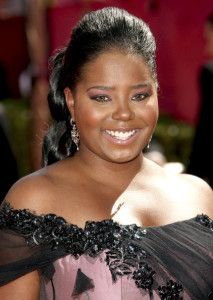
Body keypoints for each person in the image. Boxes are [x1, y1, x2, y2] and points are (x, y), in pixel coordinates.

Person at [0, 7, 213, 300]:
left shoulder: (199, 195)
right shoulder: (33, 200)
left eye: (140, 95)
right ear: (71, 101)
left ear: (156, 93)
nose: (124, 112)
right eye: (102, 97)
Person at [187, 12, 213, 188]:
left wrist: (189, 177)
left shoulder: (209, 73)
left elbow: (206, 132)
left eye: (210, 39)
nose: (207, 48)